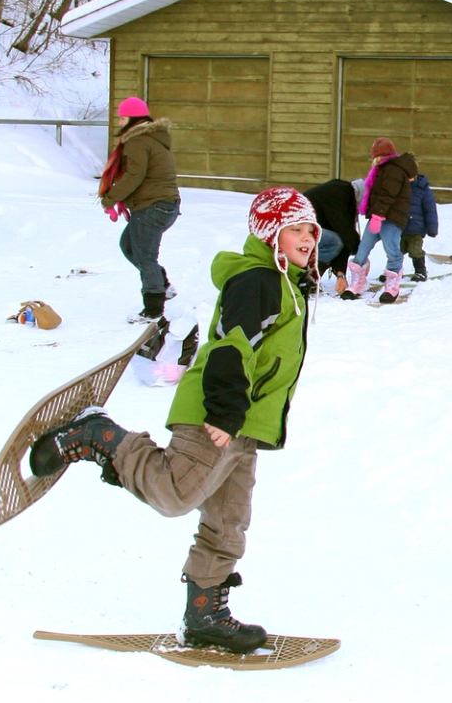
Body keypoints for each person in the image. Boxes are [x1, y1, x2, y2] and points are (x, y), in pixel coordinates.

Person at [27, 187, 320, 653]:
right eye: (295, 229)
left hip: (245, 426)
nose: (307, 237)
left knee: (228, 521)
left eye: (311, 229)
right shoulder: (258, 281)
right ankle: (100, 436)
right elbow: (230, 346)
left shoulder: (285, 284)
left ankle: (206, 616)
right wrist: (225, 411)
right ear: (270, 236)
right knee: (173, 493)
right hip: (217, 414)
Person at [100, 96, 182, 322]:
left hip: (153, 207)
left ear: (133, 119)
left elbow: (134, 176)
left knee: (145, 257)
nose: (119, 122)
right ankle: (162, 285)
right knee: (129, 245)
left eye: (123, 118)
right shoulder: (151, 138)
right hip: (163, 206)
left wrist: (110, 197)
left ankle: (153, 309)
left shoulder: (138, 141)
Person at [346, 137, 419, 304]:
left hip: (392, 218)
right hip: (378, 216)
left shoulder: (393, 170)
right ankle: (358, 282)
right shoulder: (383, 168)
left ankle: (392, 285)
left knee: (392, 249)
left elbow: (388, 194)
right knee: (363, 247)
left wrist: (378, 215)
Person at [304, 177, 361, 293]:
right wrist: (359, 249)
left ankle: (309, 278)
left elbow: (344, 234)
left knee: (334, 240)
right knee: (334, 242)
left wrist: (341, 275)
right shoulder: (340, 194)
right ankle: (306, 278)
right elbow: (345, 234)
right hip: (293, 228)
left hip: (304, 228)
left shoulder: (342, 192)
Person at [401, 172, 440, 281]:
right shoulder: (399, 187)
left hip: (416, 230)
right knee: (396, 251)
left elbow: (430, 210)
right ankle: (393, 272)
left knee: (415, 251)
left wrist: (432, 229)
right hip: (400, 229)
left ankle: (420, 271)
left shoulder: (423, 189)